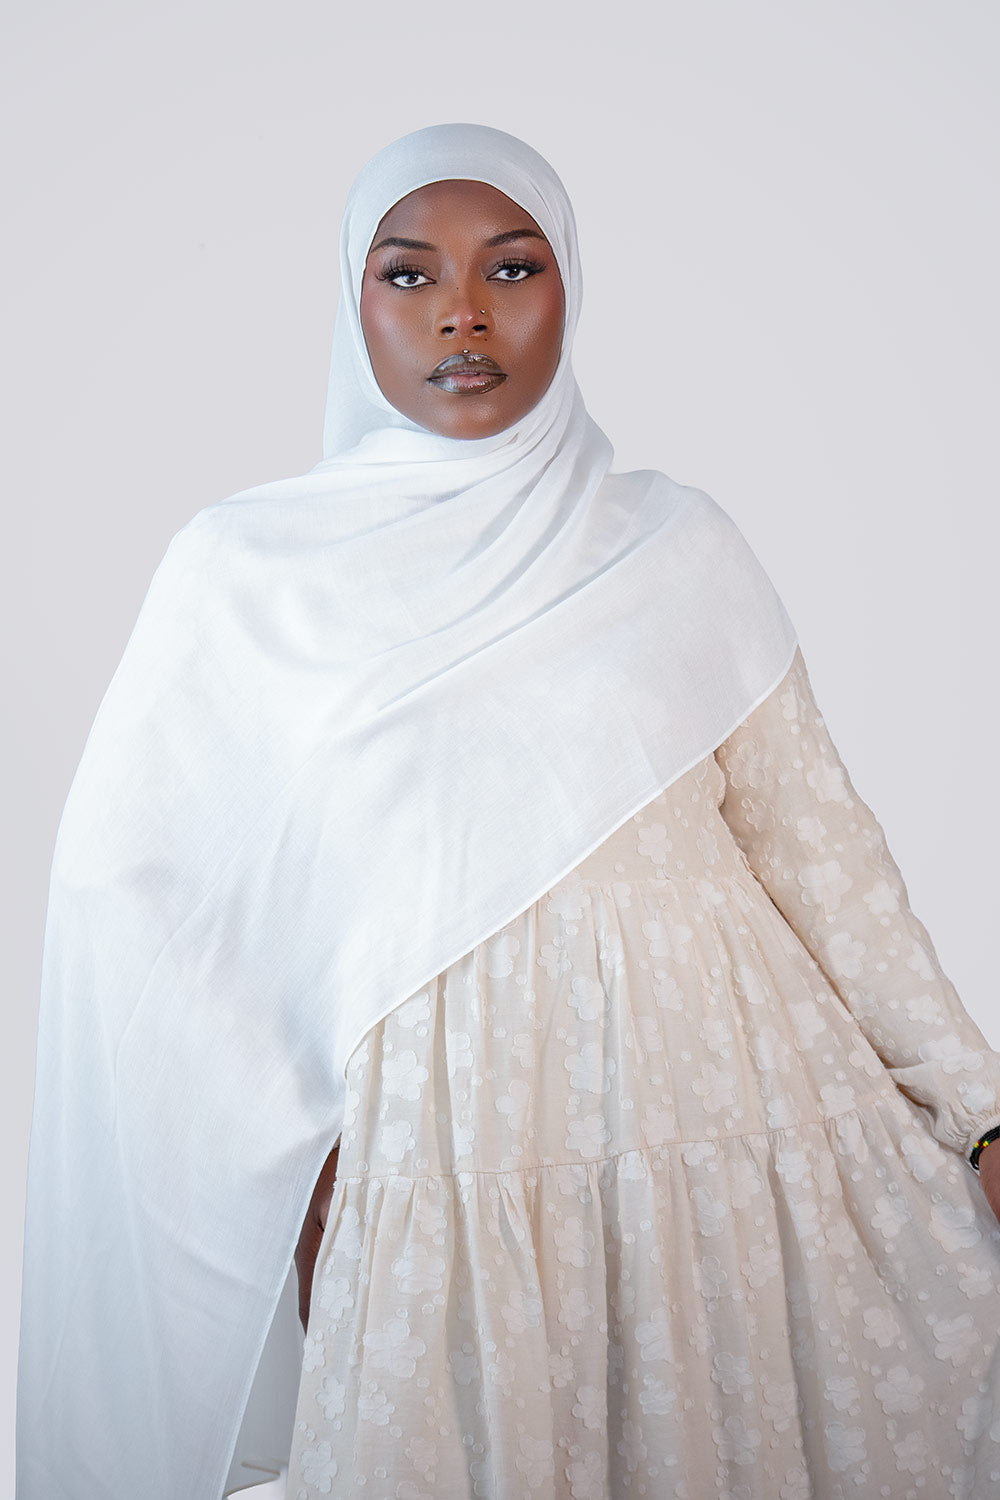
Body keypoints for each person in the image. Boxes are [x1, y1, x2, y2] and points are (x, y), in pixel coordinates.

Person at [16, 124, 1000, 1500]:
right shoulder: (244, 575)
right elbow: (143, 901)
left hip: (736, 1148)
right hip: (461, 1165)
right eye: (409, 277)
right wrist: (286, 1168)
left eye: (513, 268)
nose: (463, 315)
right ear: (351, 304)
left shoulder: (676, 543)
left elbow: (824, 858)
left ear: (570, 291)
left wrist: (977, 1108)